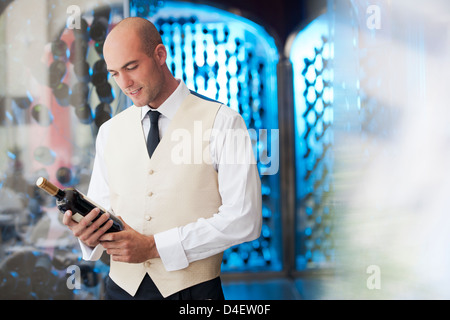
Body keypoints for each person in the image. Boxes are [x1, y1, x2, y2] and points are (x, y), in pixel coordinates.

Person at [62, 17, 262, 300]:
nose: (125, 83)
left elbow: (245, 219)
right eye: (115, 73)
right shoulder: (109, 132)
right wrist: (88, 231)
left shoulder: (223, 122)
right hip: (118, 290)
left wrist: (156, 247)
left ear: (160, 55)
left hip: (192, 293)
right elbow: (102, 207)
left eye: (131, 67)